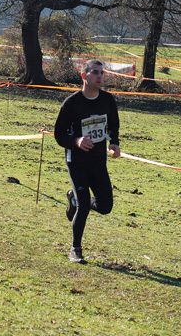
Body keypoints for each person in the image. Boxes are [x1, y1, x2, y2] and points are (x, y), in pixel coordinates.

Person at [54, 59, 121, 263]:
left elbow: (113, 126)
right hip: (76, 162)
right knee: (84, 207)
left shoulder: (108, 100)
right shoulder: (72, 103)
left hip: (98, 161)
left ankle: (74, 200)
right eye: (95, 73)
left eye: (102, 73)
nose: (99, 76)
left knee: (105, 206)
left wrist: (114, 143)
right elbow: (59, 134)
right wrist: (76, 140)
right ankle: (76, 249)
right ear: (84, 76)